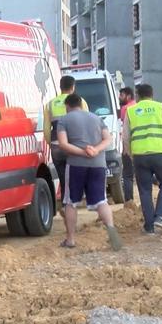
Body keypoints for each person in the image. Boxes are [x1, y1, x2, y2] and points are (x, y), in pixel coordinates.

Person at [56, 93, 122, 251]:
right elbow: (108, 139)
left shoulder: (64, 120)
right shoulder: (96, 118)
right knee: (101, 200)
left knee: (71, 202)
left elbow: (63, 144)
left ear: (67, 106)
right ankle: (111, 228)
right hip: (98, 164)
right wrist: (95, 150)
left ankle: (70, 239)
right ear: (81, 104)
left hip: (76, 165)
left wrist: (81, 152)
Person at [123, 84, 162, 234]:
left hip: (140, 156)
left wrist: (131, 154)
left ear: (138, 96)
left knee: (145, 190)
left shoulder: (131, 111)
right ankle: (160, 216)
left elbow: (125, 137)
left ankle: (149, 227)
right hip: (161, 153)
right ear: (152, 94)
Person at [44, 76, 88, 208]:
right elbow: (86, 123)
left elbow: (46, 129)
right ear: (73, 87)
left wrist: (50, 143)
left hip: (57, 147)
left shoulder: (50, 104)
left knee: (63, 177)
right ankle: (74, 200)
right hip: (74, 146)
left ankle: (65, 202)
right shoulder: (80, 102)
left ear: (60, 87)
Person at [119, 87, 137, 203]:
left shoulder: (125, 109)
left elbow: (125, 130)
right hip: (140, 145)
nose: (119, 98)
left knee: (128, 175)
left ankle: (129, 200)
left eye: (121, 95)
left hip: (129, 145)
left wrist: (125, 148)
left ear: (128, 96)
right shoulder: (136, 106)